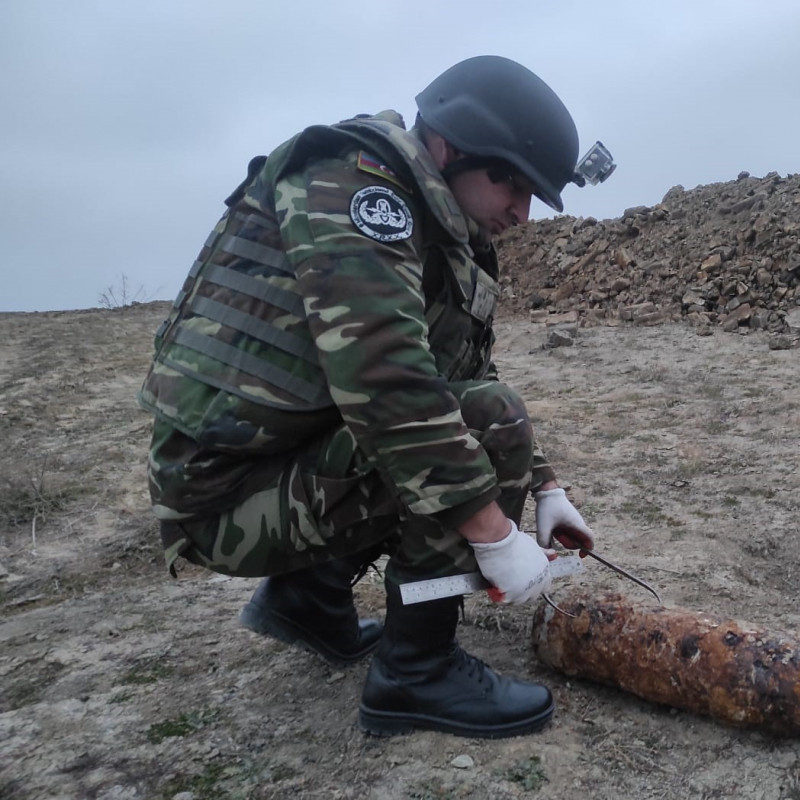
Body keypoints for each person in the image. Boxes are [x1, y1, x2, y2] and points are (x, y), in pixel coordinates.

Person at [137, 55, 610, 739]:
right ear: (450, 148)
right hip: (225, 498)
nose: (523, 211)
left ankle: (309, 599)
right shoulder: (357, 192)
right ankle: (416, 673)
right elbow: (390, 383)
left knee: (479, 416)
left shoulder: (438, 229)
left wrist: (545, 491)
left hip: (277, 465)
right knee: (481, 425)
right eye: (511, 182)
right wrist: (494, 533)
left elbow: (460, 374)